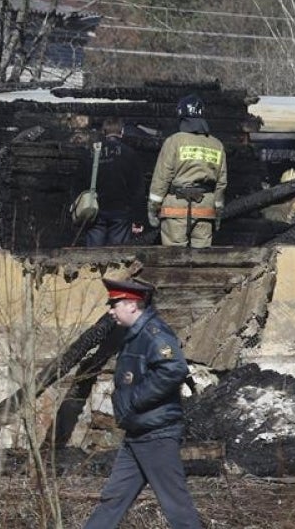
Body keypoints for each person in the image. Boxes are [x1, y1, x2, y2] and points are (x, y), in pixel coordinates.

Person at [83, 277, 202, 529]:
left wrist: (135, 400)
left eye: (114, 304)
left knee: (177, 508)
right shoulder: (134, 335)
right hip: (138, 433)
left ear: (132, 305)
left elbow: (174, 369)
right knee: (112, 501)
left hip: (156, 434)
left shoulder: (153, 333)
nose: (110, 310)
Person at [148, 94, 228, 248]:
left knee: (175, 259)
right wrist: (217, 212)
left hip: (175, 210)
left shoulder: (174, 142)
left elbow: (162, 178)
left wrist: (153, 207)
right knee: (201, 259)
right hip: (204, 210)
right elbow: (221, 183)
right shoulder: (217, 145)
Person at [79, 118, 143, 246]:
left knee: (93, 256)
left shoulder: (90, 153)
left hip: (94, 209)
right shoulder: (130, 154)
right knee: (117, 257)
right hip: (121, 210)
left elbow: (79, 183)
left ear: (103, 132)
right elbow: (137, 187)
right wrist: (137, 215)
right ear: (122, 132)